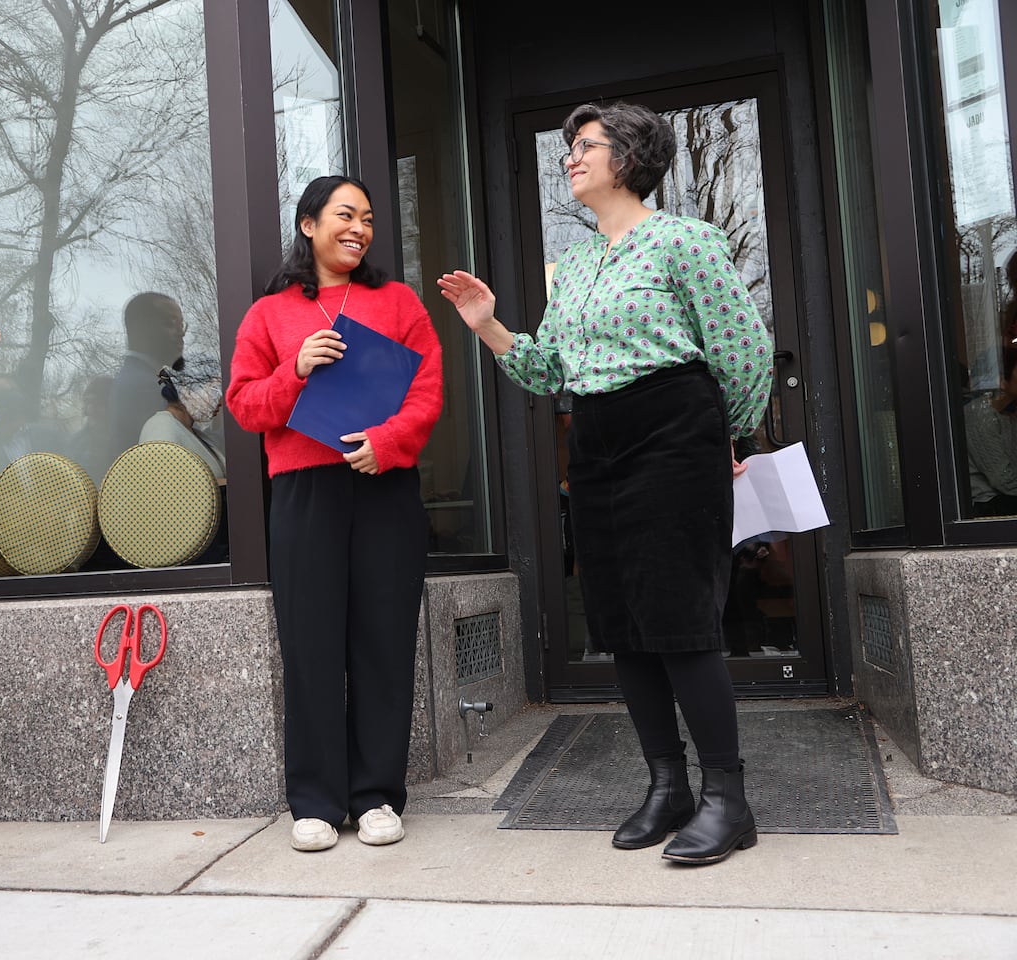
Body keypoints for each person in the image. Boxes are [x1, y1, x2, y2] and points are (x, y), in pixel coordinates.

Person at [439, 101, 773, 866]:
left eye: (583, 145)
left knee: (681, 619)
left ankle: (729, 797)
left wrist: (729, 436)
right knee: (620, 621)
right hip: (594, 442)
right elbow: (548, 369)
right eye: (567, 148)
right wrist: (489, 323)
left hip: (672, 433)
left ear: (626, 156)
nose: (569, 157)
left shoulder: (684, 242)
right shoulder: (580, 265)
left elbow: (743, 348)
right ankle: (668, 785)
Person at [226, 175, 443, 852]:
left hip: (384, 487)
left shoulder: (398, 301)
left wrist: (389, 442)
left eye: (369, 218)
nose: (359, 227)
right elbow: (244, 404)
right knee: (312, 644)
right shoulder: (270, 315)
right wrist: (295, 368)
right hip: (306, 492)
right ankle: (315, 801)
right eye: (345, 215)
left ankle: (376, 795)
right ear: (309, 224)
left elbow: (427, 388)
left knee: (382, 642)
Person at [100, 291, 186, 479]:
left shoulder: (140, 378)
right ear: (141, 329)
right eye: (170, 323)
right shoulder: (144, 386)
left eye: (181, 325)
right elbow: (167, 462)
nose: (181, 334)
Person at [965, 347, 1017, 517]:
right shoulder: (980, 415)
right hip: (989, 507)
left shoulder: (1004, 414)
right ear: (1002, 380)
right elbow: (1003, 480)